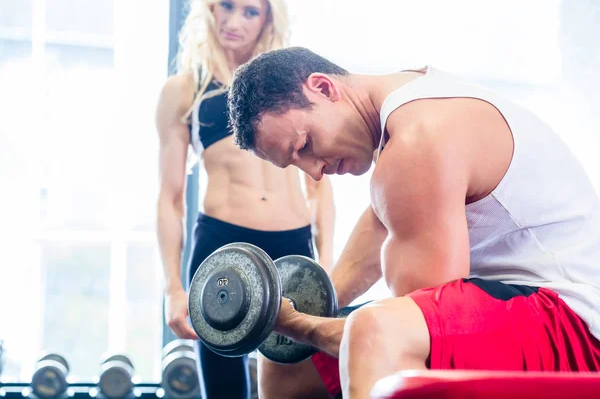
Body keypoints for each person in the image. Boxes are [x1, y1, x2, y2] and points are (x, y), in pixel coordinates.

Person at [227, 47, 600, 399]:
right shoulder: (408, 105)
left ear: (324, 87)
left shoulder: (418, 139)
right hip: (523, 308)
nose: (314, 172)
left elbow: (408, 323)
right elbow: (380, 226)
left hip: (577, 329)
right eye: (295, 164)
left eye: (305, 145)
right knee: (286, 362)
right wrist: (309, 309)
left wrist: (298, 325)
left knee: (376, 330)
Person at [155, 3, 335, 398]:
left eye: (250, 11)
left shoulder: (293, 83)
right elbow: (170, 200)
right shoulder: (185, 89)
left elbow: (320, 186)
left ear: (268, 20)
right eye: (226, 6)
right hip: (221, 244)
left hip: (293, 246)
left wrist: (329, 262)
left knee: (297, 381)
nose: (234, 22)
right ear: (209, 9)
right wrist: (172, 288)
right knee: (223, 388)